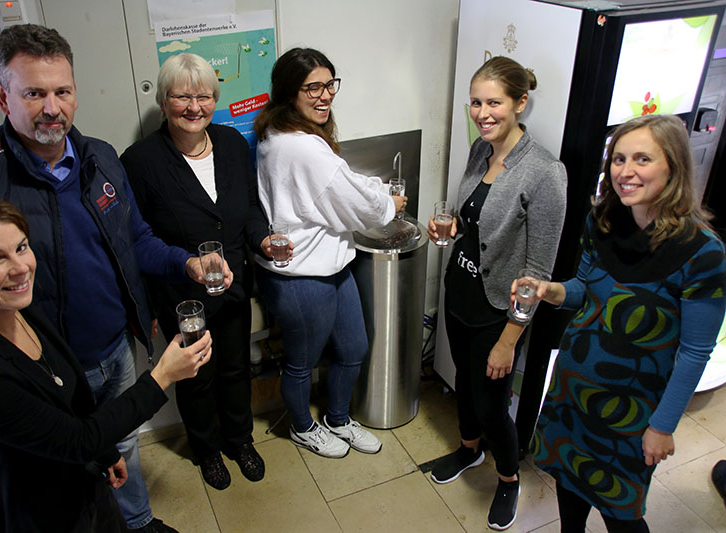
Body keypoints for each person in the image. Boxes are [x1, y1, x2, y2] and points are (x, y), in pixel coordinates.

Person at [0, 24, 229, 532]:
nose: (52, 107)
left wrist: (184, 263)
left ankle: (136, 522)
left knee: (122, 444)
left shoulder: (100, 157)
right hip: (45, 366)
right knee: (73, 465)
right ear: (4, 95)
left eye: (62, 91)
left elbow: (136, 240)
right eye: (34, 93)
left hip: (115, 347)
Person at [0, 195, 213, 532]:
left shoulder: (19, 308)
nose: (20, 268)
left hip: (84, 488)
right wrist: (163, 375)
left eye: (21, 247)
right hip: (34, 515)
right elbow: (77, 440)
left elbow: (70, 401)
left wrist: (105, 454)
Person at [530, 114, 726, 532]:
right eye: (618, 159)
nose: (625, 171)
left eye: (642, 159)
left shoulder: (702, 253)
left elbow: (695, 352)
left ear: (672, 166)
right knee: (569, 486)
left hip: (632, 412)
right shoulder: (601, 220)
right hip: (572, 393)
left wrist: (662, 426)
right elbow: (584, 289)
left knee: (622, 515)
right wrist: (549, 290)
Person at [426, 56, 567, 530]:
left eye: (494, 103)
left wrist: (510, 338)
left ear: (520, 103)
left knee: (492, 402)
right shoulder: (479, 150)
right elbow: (472, 219)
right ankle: (468, 452)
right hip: (460, 290)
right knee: (465, 383)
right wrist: (447, 226)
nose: (482, 113)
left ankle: (508, 479)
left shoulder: (545, 172)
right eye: (476, 102)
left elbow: (537, 269)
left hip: (499, 311)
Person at [120, 53, 271, 490]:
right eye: (181, 96)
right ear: (164, 102)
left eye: (203, 96)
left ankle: (240, 441)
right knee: (196, 377)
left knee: (236, 368)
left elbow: (250, 210)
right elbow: (137, 237)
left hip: (235, 285)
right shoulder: (140, 160)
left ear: (215, 100)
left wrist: (262, 240)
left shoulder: (230, 143)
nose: (193, 106)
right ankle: (206, 450)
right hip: (181, 296)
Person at [252, 47, 406, 458]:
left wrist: (372, 195)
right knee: (302, 362)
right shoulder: (300, 146)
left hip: (332, 263)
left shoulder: (281, 132)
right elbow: (357, 204)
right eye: (313, 87)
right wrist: (389, 204)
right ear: (290, 92)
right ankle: (304, 426)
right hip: (301, 275)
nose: (325, 96)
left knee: (353, 348)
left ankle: (338, 418)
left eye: (329, 85)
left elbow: (343, 182)